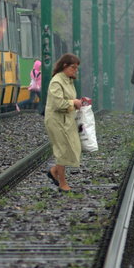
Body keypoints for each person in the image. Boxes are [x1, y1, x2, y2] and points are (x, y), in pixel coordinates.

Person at [44, 53, 83, 192]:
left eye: (77, 68)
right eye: (73, 67)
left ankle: (54, 171)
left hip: (66, 119)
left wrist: (78, 102)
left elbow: (68, 99)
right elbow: (58, 103)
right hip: (56, 120)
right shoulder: (57, 81)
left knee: (71, 147)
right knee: (62, 150)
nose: (75, 70)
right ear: (64, 66)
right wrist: (74, 102)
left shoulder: (68, 80)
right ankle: (62, 183)